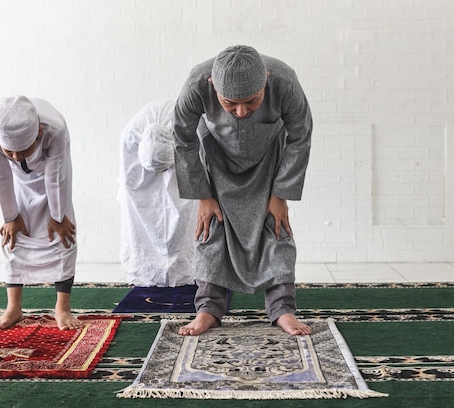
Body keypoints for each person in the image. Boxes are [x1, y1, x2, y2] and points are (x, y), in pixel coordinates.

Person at [173, 45, 313, 336]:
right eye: (229, 103)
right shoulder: (198, 82)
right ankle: (208, 310)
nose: (241, 112)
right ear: (213, 86)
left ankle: (283, 310)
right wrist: (204, 196)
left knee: (276, 228)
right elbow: (182, 138)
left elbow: (300, 136)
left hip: (269, 160)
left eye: (252, 102)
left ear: (266, 80)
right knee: (210, 230)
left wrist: (280, 195)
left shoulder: (284, 81)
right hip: (216, 157)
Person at [0, 95, 82, 330]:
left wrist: (58, 217)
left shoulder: (54, 128)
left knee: (63, 236)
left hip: (52, 175)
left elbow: (57, 175)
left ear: (38, 133)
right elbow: (1, 175)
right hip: (18, 183)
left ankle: (62, 308)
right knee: (13, 236)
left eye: (23, 150)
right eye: (10, 151)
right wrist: (11, 217)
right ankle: (13, 308)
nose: (16, 157)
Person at [117, 99, 197, 287]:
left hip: (181, 150)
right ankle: (148, 271)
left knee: (185, 209)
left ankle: (184, 271)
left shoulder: (189, 132)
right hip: (141, 157)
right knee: (143, 208)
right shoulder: (130, 137)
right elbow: (129, 185)